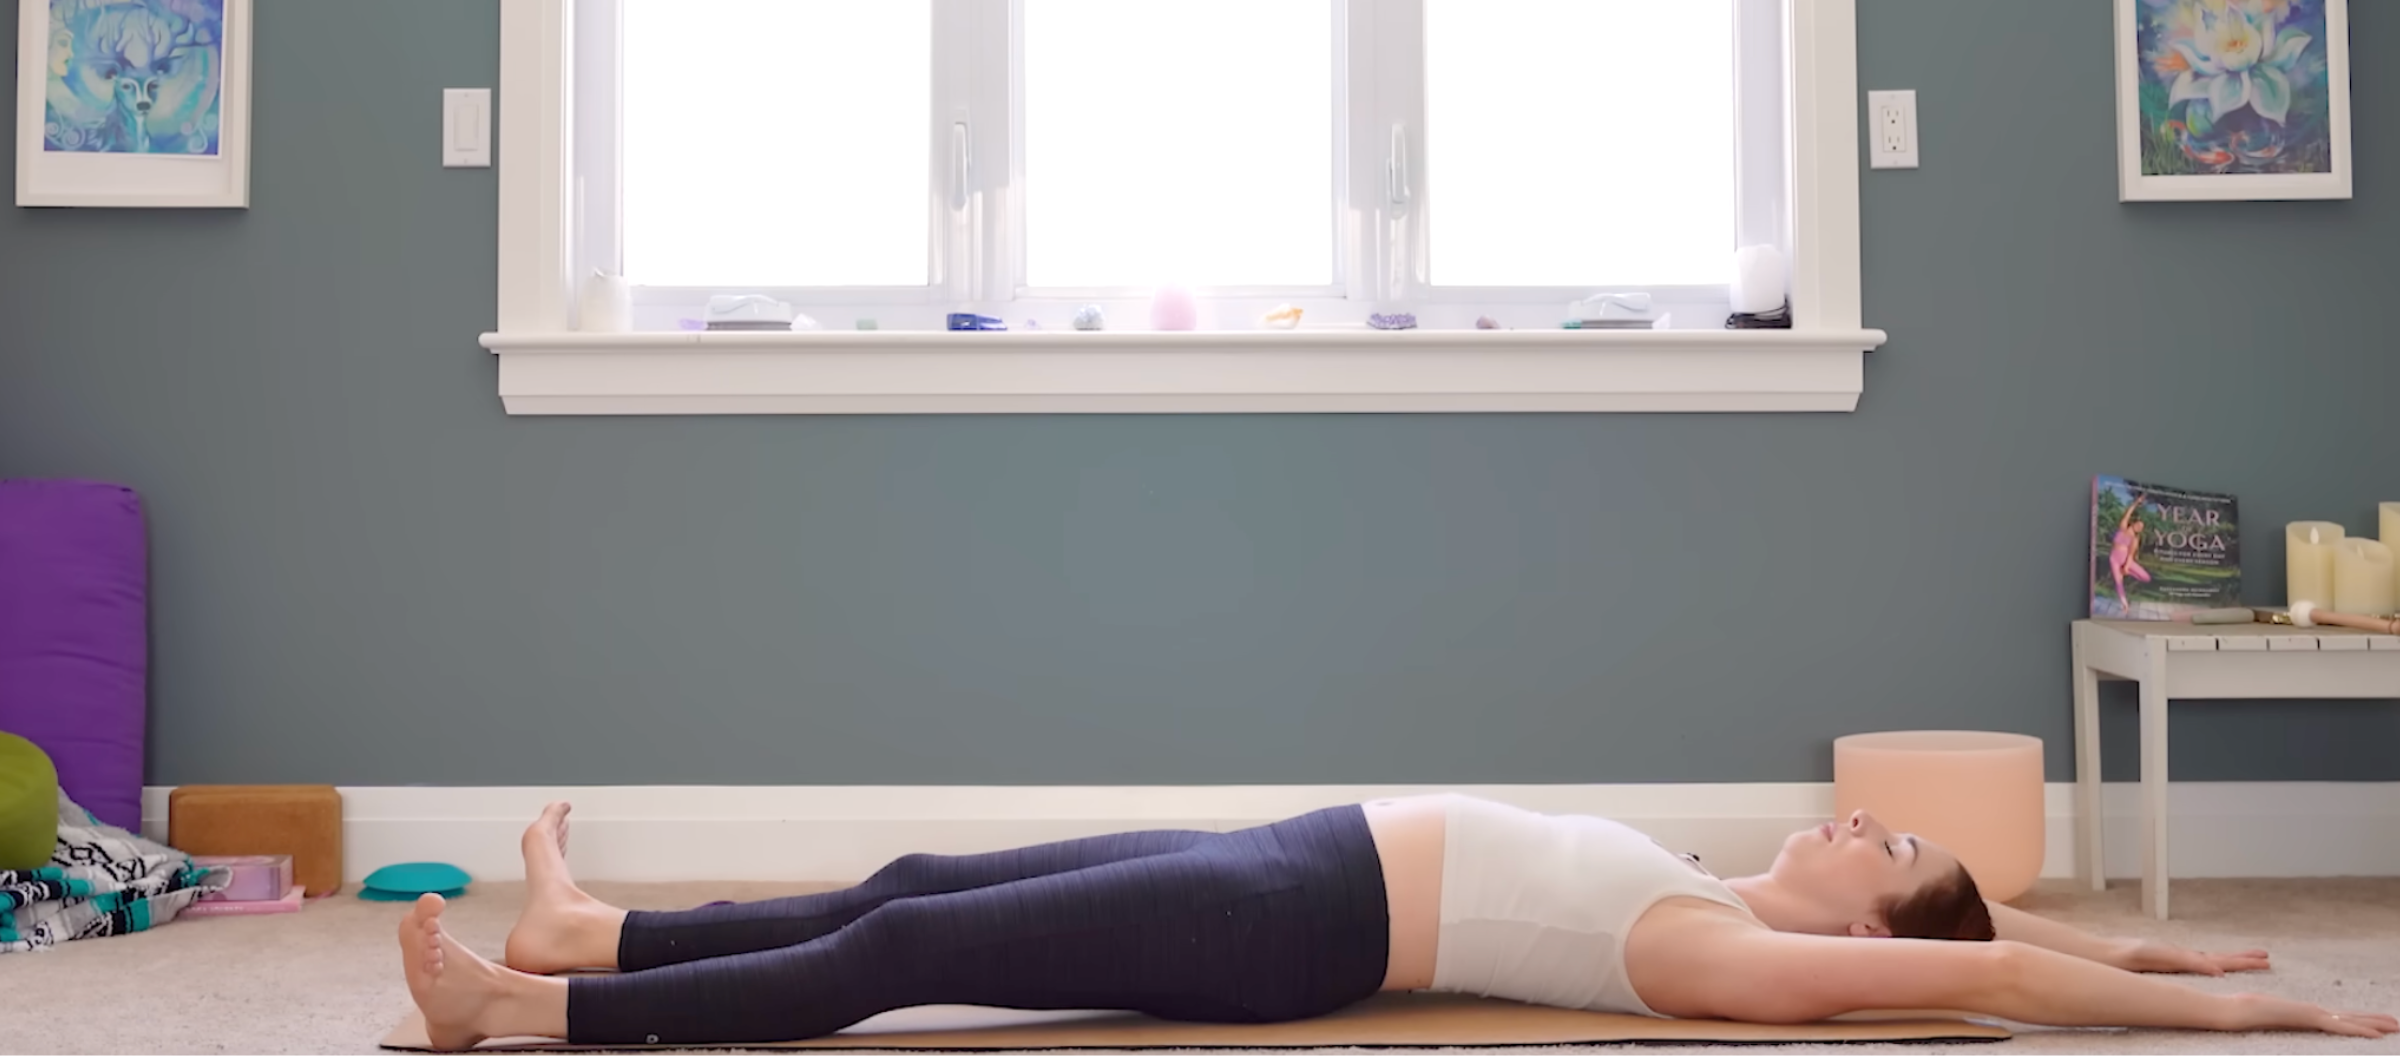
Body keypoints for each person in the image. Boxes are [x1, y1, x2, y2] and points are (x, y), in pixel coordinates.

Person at [397, 796, 2396, 1050]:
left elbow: (1979, 970)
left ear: (1878, 919)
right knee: (919, 884)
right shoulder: (1707, 883)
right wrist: (2134, 940)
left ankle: (535, 1026)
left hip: (1301, 924)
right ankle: (596, 938)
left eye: (1887, 843)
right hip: (1303, 852)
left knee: (916, 962)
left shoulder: (1721, 958)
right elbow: (1985, 930)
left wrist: (2197, 1007)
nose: (1864, 818)